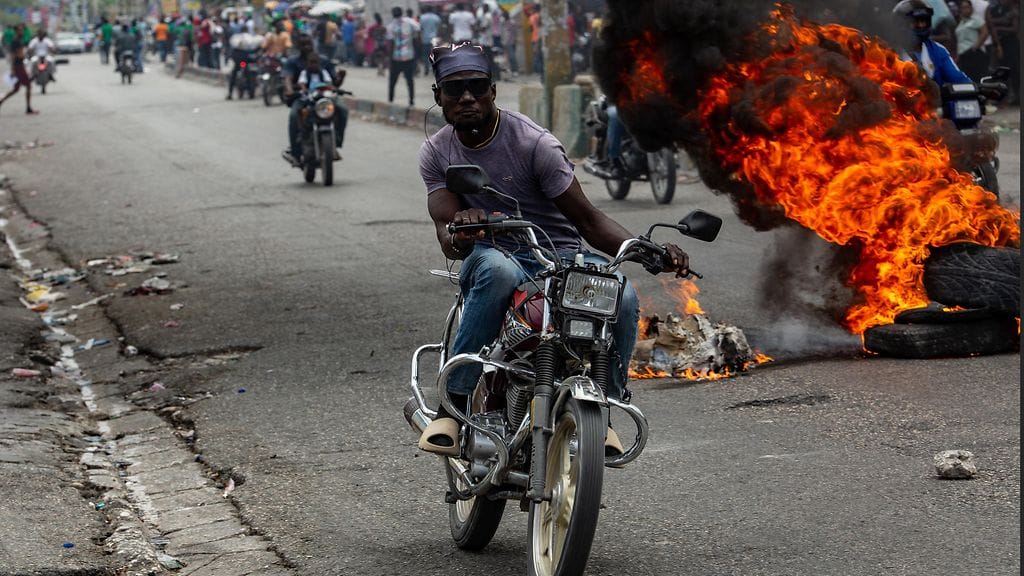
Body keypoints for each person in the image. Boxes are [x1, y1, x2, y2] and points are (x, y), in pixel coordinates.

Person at [415, 43, 690, 456]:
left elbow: (588, 220)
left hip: (557, 256)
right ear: (439, 96)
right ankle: (452, 408)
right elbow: (445, 234)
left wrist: (649, 251)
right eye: (455, 90)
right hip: (494, 254)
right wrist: (461, 232)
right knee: (498, 271)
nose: (467, 98)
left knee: (622, 294)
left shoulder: (534, 144)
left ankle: (606, 407)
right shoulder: (437, 152)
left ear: (493, 90)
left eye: (477, 87)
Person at [281, 37, 349, 167]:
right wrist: (290, 90)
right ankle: (295, 152)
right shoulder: (293, 62)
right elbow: (287, 78)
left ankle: (336, 141)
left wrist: (341, 77)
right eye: (303, 44)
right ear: (298, 47)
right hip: (304, 97)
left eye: (309, 44)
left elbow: (334, 82)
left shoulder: (324, 61)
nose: (307, 47)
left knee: (342, 109)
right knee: (294, 116)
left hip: (324, 97)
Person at [893, 0, 973, 86]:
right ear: (901, 25)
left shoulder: (938, 50)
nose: (921, 25)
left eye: (924, 21)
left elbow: (959, 79)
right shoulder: (889, 52)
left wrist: (974, 88)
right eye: (915, 22)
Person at [986, 0, 1020, 104]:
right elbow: (989, 22)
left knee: (1013, 70)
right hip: (999, 43)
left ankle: (1016, 96)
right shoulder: (995, 9)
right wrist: (1003, 21)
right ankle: (1004, 97)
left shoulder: (1013, 10)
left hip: (1011, 43)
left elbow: (1015, 29)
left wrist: (998, 27)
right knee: (1000, 70)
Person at [0, 23, 38, 115]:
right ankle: (28, 108)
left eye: (22, 30)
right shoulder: (16, 41)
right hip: (18, 67)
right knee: (28, 86)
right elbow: (13, 55)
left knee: (16, 89)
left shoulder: (19, 40)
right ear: (16, 31)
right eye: (20, 30)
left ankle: (1, 101)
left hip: (20, 66)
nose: (21, 32)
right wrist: (13, 68)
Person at [386, 5, 419, 107]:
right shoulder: (411, 23)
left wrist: (389, 58)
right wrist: (417, 55)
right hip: (409, 56)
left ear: (393, 14)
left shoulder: (391, 26)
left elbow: (390, 44)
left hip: (396, 58)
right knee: (410, 81)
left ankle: (390, 100)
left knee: (392, 81)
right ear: (402, 13)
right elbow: (416, 38)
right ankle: (411, 100)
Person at [955, 0, 991, 81]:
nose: (965, 10)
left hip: (974, 53)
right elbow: (960, 41)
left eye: (967, 7)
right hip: (963, 55)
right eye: (963, 8)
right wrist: (958, 56)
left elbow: (985, 33)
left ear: (971, 8)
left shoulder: (976, 19)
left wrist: (975, 47)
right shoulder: (962, 22)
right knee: (966, 79)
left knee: (976, 79)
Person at [418, 6, 441, 75]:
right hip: (434, 38)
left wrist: (420, 38)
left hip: (425, 38)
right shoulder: (436, 17)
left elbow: (420, 28)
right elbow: (439, 28)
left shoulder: (422, 17)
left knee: (425, 54)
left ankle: (426, 68)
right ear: (432, 10)